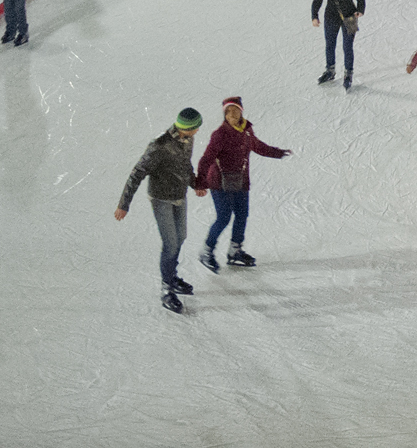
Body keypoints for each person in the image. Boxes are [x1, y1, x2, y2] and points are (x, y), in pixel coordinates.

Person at [115, 107, 206, 313]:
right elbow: (137, 173)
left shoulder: (188, 139)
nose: (198, 131)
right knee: (170, 244)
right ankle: (166, 289)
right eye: (196, 127)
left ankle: (172, 277)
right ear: (188, 127)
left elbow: (185, 166)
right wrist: (124, 204)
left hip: (179, 196)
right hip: (161, 199)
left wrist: (195, 184)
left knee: (180, 237)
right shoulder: (160, 146)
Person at [194, 96, 289, 273]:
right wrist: (200, 182)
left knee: (242, 215)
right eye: (228, 112)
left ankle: (235, 251)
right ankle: (206, 252)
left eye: (235, 111)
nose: (232, 115)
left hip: (240, 180)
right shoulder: (220, 135)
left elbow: (257, 145)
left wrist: (277, 153)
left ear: (241, 111)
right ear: (224, 115)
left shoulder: (246, 130)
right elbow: (206, 159)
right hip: (219, 182)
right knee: (223, 217)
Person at [310, 0, 365, 90]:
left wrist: (360, 10)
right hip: (331, 17)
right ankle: (330, 70)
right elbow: (317, 1)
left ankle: (348, 74)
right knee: (330, 45)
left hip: (350, 18)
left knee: (348, 47)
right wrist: (314, 16)